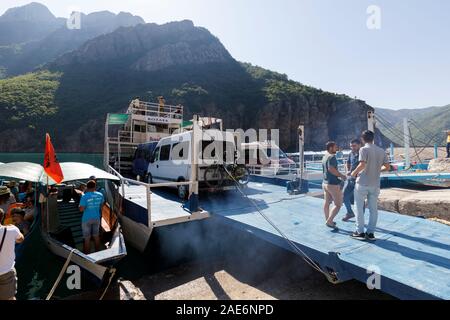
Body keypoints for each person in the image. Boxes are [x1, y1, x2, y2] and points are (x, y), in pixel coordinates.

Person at [351, 130, 390, 241]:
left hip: (362, 183)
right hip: (375, 184)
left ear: (363, 139)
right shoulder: (381, 151)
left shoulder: (363, 149)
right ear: (373, 139)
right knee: (373, 210)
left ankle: (360, 232)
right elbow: (387, 167)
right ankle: (371, 233)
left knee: (358, 208)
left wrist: (353, 173)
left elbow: (362, 164)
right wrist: (377, 170)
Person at [0, 208, 24, 300]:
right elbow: (20, 239)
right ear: (3, 218)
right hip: (6, 273)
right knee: (10, 298)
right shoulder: (12, 229)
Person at [322, 141, 347, 229]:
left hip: (325, 183)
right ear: (330, 148)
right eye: (335, 147)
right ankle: (329, 221)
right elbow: (331, 169)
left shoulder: (325, 156)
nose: (337, 148)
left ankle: (328, 220)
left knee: (326, 202)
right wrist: (342, 176)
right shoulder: (332, 157)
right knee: (338, 204)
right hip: (333, 184)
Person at [79, 180, 104, 254]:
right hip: (96, 218)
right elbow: (101, 206)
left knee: (87, 238)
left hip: (86, 219)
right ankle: (97, 253)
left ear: (87, 187)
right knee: (96, 236)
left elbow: (81, 209)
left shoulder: (84, 196)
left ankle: (87, 255)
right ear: (95, 186)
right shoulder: (100, 195)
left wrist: (79, 206)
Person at [342, 139, 361, 221]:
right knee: (344, 196)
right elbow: (348, 163)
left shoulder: (363, 154)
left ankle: (360, 218)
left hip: (360, 180)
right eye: (351, 146)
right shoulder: (351, 153)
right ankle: (350, 212)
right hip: (350, 179)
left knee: (360, 200)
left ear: (359, 145)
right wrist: (348, 171)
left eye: (354, 146)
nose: (352, 148)